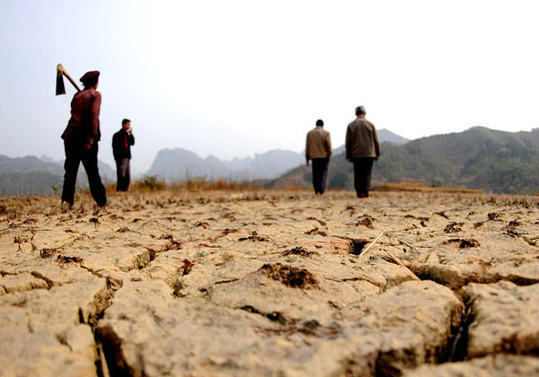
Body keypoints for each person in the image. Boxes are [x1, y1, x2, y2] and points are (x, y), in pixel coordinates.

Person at [60, 70, 107, 208]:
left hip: (70, 137)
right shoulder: (95, 95)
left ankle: (67, 201)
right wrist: (91, 138)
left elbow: (76, 115)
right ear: (96, 83)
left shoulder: (77, 95)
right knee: (92, 171)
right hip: (85, 139)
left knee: (70, 171)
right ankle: (101, 202)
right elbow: (94, 117)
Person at [345, 106, 380, 198]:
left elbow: (348, 142)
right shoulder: (370, 124)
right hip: (369, 153)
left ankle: (359, 192)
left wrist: (348, 154)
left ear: (356, 114)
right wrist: (377, 153)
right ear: (365, 113)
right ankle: (365, 192)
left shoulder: (351, 125)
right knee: (367, 173)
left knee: (358, 173)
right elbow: (375, 140)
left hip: (356, 154)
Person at [306, 119, 332, 195]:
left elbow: (307, 147)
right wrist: (329, 154)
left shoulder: (310, 133)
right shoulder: (326, 133)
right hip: (324, 156)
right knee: (323, 174)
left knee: (315, 174)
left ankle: (316, 190)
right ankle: (321, 190)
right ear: (322, 125)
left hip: (314, 157)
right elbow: (328, 145)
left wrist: (307, 159)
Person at [112, 119, 135, 191]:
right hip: (120, 157)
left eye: (129, 125)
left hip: (127, 156)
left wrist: (131, 134)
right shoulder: (117, 135)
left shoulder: (127, 135)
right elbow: (114, 147)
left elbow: (132, 143)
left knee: (127, 174)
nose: (129, 126)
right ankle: (119, 188)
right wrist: (116, 157)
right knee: (121, 173)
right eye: (128, 124)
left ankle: (125, 189)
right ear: (123, 124)